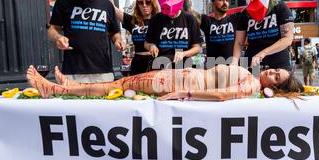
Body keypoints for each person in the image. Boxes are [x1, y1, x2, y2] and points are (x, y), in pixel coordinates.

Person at [26, 64, 304, 101]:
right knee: (120, 83)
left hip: (176, 81)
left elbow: (221, 96)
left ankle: (57, 89)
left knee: (119, 85)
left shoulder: (252, 86)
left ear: (275, 88)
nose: (271, 71)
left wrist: (181, 92)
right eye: (276, 69)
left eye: (276, 77)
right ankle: (68, 85)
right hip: (177, 76)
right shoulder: (253, 79)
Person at [47, 0, 126, 83]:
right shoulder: (64, 1)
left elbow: (114, 32)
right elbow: (52, 30)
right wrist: (58, 37)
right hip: (72, 71)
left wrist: (118, 41)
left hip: (103, 71)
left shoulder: (106, 5)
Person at [233, 0, 295, 70]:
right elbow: (239, 42)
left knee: (279, 85)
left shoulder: (279, 7)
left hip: (278, 65)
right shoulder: (245, 14)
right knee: (251, 86)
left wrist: (263, 53)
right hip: (252, 64)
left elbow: (287, 39)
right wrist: (234, 62)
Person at [103, 0, 159, 75]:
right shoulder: (132, 20)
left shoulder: (160, 20)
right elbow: (111, 7)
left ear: (153, 4)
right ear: (137, 5)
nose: (144, 5)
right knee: (137, 91)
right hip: (137, 63)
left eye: (147, 2)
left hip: (156, 62)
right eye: (140, 2)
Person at [144, 0, 203, 69]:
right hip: (162, 66)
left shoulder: (190, 19)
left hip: (185, 66)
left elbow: (197, 47)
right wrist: (151, 46)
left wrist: (184, 53)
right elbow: (147, 43)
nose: (168, 0)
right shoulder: (155, 19)